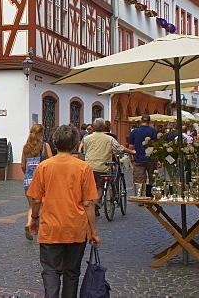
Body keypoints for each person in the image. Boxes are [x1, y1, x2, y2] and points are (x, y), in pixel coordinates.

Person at [27, 124, 100, 298]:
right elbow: (89, 203)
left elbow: (36, 199)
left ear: (54, 142)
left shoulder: (44, 167)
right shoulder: (83, 167)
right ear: (75, 144)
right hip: (76, 227)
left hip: (51, 227)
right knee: (72, 272)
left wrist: (34, 218)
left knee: (51, 271)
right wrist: (94, 232)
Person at [82, 119, 134, 198]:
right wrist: (132, 151)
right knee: (100, 185)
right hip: (103, 166)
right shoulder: (109, 139)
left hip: (89, 166)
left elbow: (85, 151)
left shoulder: (87, 138)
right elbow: (119, 148)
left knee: (91, 185)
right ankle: (97, 202)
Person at [21, 123, 52, 240]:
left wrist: (28, 175)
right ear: (42, 133)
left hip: (28, 180)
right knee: (42, 206)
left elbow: (23, 165)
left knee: (31, 206)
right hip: (41, 180)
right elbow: (50, 162)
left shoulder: (26, 147)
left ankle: (29, 223)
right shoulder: (45, 146)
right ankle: (43, 229)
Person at [126, 114, 159, 198]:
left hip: (138, 157)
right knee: (151, 177)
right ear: (149, 121)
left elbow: (131, 145)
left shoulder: (135, 131)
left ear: (141, 121)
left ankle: (139, 196)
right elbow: (156, 145)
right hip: (151, 157)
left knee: (138, 178)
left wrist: (130, 156)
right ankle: (150, 195)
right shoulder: (153, 131)